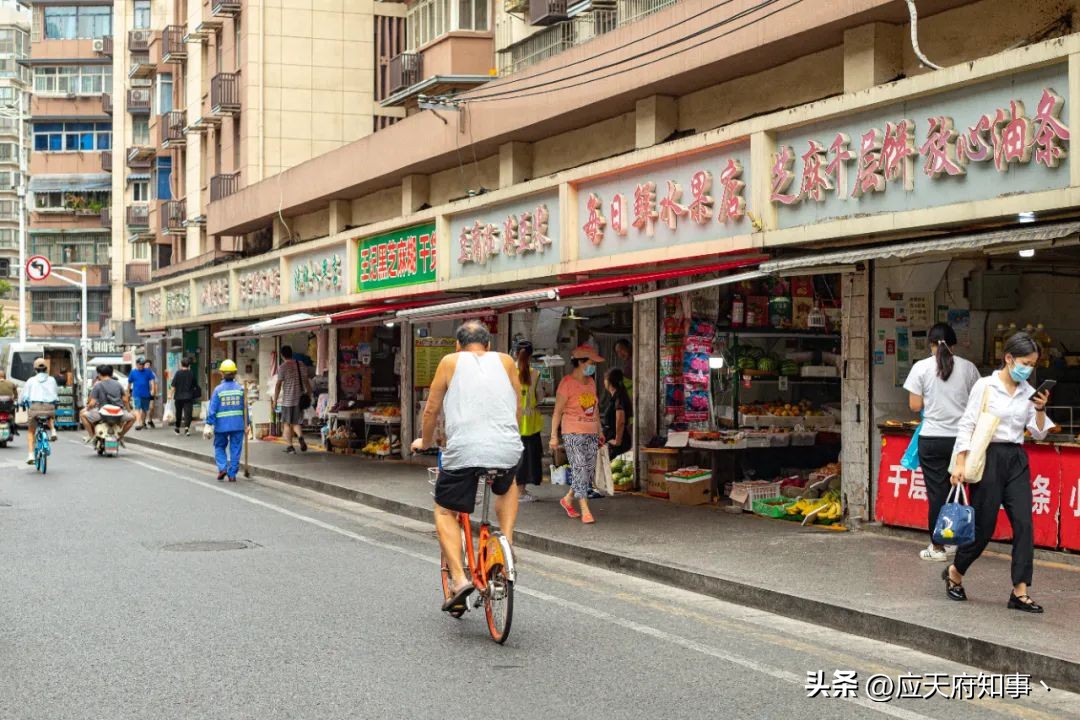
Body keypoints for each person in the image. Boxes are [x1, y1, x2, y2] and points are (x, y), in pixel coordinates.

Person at [410, 320, 523, 613]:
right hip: (507, 447)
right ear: (488, 345)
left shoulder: (450, 361)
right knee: (508, 484)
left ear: (458, 345)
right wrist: (511, 438)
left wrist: (424, 441)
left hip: (465, 451)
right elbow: (517, 405)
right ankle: (506, 540)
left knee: (445, 510)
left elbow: (432, 408)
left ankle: (459, 580)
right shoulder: (507, 361)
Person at [944, 332, 1053, 613]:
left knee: (1024, 525)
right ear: (1008, 358)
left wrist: (1040, 409)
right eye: (1025, 362)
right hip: (988, 457)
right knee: (983, 527)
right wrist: (959, 462)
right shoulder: (986, 386)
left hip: (1016, 458)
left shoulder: (1029, 392)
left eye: (1032, 364)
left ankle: (1020, 591)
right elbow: (967, 424)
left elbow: (1039, 434)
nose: (1028, 369)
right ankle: (956, 571)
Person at [903, 323, 980, 562]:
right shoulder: (968, 368)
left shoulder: (921, 368)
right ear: (953, 344)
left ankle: (937, 547)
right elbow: (978, 403)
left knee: (937, 494)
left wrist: (935, 400)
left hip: (933, 439)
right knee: (957, 490)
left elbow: (914, 406)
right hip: (962, 440)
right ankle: (954, 541)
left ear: (931, 344)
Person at [550, 345, 605, 524]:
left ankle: (567, 499)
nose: (593, 367)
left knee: (587, 472)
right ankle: (585, 509)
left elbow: (595, 409)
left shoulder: (591, 382)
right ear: (581, 362)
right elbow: (557, 412)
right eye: (591, 363)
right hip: (572, 431)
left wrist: (600, 430)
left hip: (591, 432)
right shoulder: (566, 383)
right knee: (580, 468)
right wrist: (553, 436)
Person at [203, 359, 246, 482]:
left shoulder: (218, 390)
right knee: (236, 449)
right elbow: (245, 408)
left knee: (219, 446)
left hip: (221, 425)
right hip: (238, 424)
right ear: (234, 373)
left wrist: (209, 423)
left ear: (222, 373)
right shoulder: (241, 389)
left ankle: (222, 468)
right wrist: (247, 423)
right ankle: (232, 473)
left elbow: (212, 409)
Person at [514, 340, 544, 503]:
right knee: (527, 460)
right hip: (530, 425)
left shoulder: (508, 371)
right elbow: (540, 396)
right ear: (530, 356)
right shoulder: (535, 374)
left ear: (515, 353)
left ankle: (515, 490)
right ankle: (520, 492)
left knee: (516, 458)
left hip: (512, 424)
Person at [80, 365, 135, 443]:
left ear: (99, 374)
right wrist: (129, 411)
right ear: (111, 374)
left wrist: (88, 408)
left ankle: (91, 435)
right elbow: (125, 400)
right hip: (118, 414)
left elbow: (92, 403)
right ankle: (120, 436)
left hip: (103, 414)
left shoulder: (97, 385)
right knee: (133, 418)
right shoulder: (118, 384)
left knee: (82, 415)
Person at [273, 345, 311, 454]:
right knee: (296, 422)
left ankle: (290, 447)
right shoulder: (301, 364)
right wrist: (309, 394)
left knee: (286, 423)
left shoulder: (283, 367)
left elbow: (278, 384)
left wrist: (275, 400)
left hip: (287, 401)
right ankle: (300, 437)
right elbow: (306, 382)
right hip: (299, 399)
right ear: (292, 353)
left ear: (282, 355)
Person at [23, 358, 58, 464]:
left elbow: (25, 396)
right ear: (46, 369)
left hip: (35, 408)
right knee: (50, 415)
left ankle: (30, 455)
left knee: (30, 431)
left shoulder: (30, 380)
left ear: (35, 369)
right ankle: (53, 430)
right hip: (49, 407)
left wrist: (22, 403)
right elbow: (56, 394)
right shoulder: (52, 380)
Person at [603, 367, 633, 459]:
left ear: (609, 381)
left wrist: (617, 440)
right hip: (615, 441)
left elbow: (620, 420)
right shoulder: (618, 397)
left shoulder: (618, 398)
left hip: (618, 443)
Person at [170, 358, 199, 436]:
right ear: (189, 365)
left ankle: (177, 428)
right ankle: (187, 429)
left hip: (178, 397)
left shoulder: (178, 373)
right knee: (188, 413)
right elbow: (195, 385)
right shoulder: (191, 373)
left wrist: (170, 395)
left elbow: (173, 386)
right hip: (188, 397)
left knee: (178, 413)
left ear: (181, 364)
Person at [128, 357, 157, 430]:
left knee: (144, 409)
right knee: (137, 408)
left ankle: (143, 422)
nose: (142, 365)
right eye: (140, 364)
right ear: (137, 364)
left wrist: (153, 389)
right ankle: (139, 423)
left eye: (143, 364)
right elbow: (129, 383)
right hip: (136, 393)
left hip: (146, 393)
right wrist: (128, 392)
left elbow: (152, 380)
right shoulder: (133, 372)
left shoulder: (148, 371)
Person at [144, 359, 158, 428]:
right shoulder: (141, 373)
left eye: (149, 365)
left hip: (151, 393)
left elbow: (155, 384)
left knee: (151, 408)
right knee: (143, 408)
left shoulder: (152, 374)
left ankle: (149, 420)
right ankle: (143, 422)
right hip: (143, 393)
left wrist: (155, 392)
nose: (147, 366)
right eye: (146, 365)